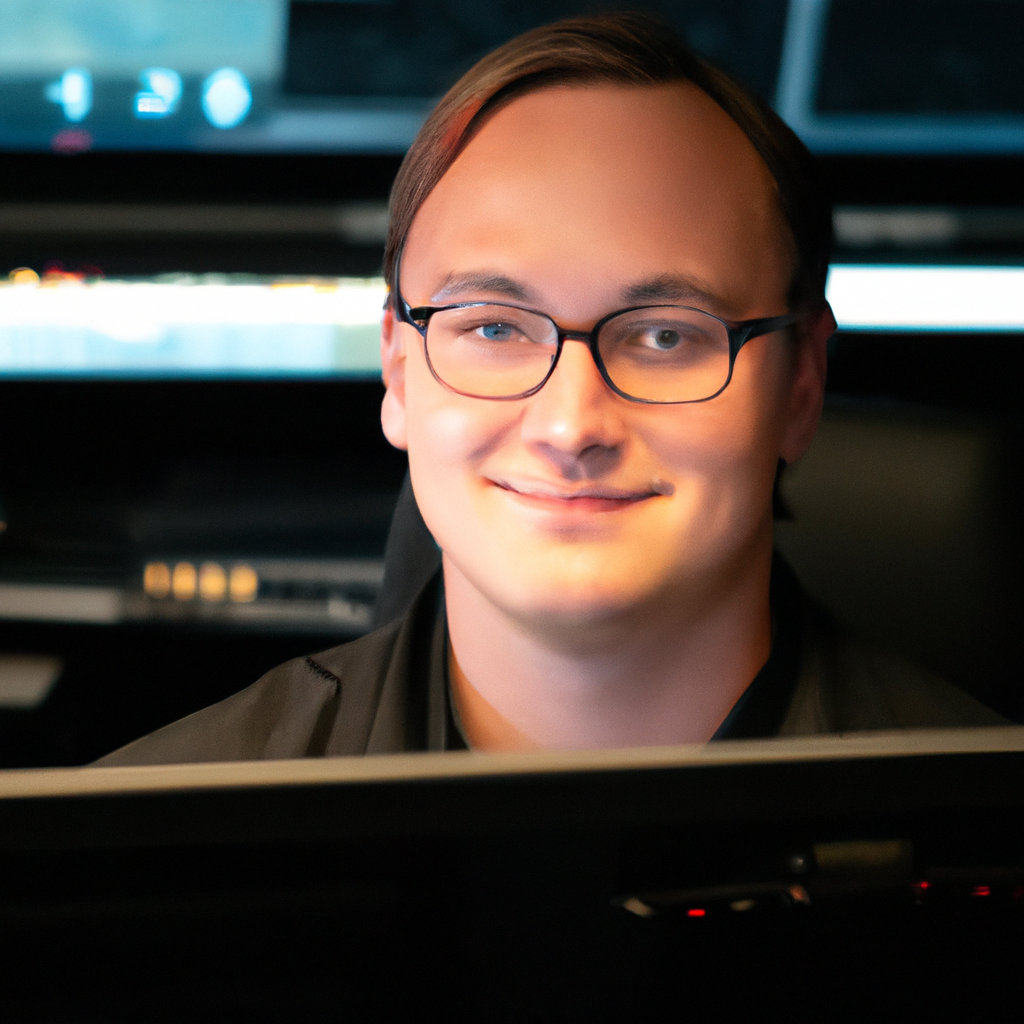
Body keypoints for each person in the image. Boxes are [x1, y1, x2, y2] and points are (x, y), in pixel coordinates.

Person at [96, 13, 1003, 766]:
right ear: (399, 371)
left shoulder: (988, 841)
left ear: (802, 386)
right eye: (493, 327)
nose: (572, 425)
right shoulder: (137, 851)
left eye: (663, 336)